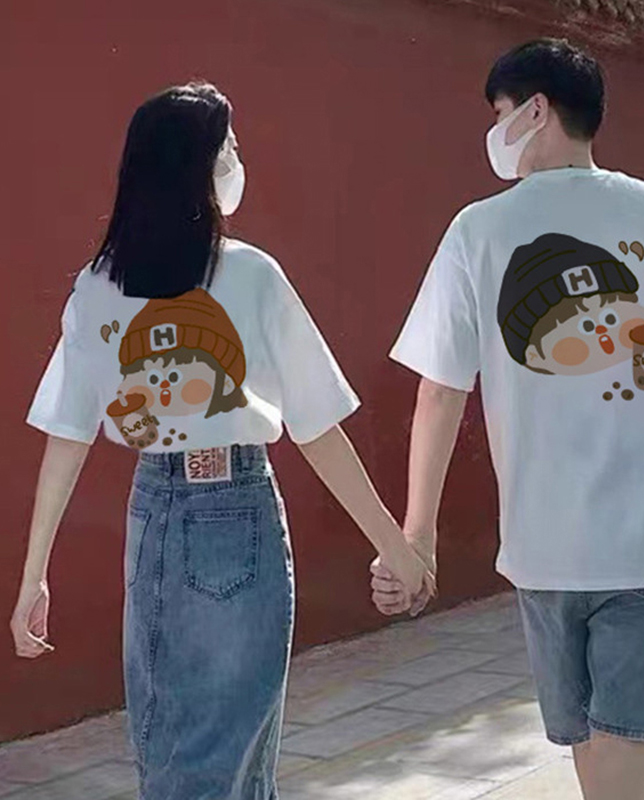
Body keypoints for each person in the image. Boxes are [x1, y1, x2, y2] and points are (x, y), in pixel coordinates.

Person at [371, 39, 644, 800]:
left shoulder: (477, 231)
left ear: (536, 110)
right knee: (620, 740)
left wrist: (418, 532)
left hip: (544, 546)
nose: (495, 131)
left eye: (500, 112)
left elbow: (440, 391)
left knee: (597, 740)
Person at [10, 82, 433, 800]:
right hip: (238, 506)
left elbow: (68, 434)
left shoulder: (98, 286)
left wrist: (33, 577)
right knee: (232, 752)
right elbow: (317, 427)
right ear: (197, 166)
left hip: (152, 511)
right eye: (229, 149)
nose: (238, 162)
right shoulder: (250, 275)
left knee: (172, 744)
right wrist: (395, 546)